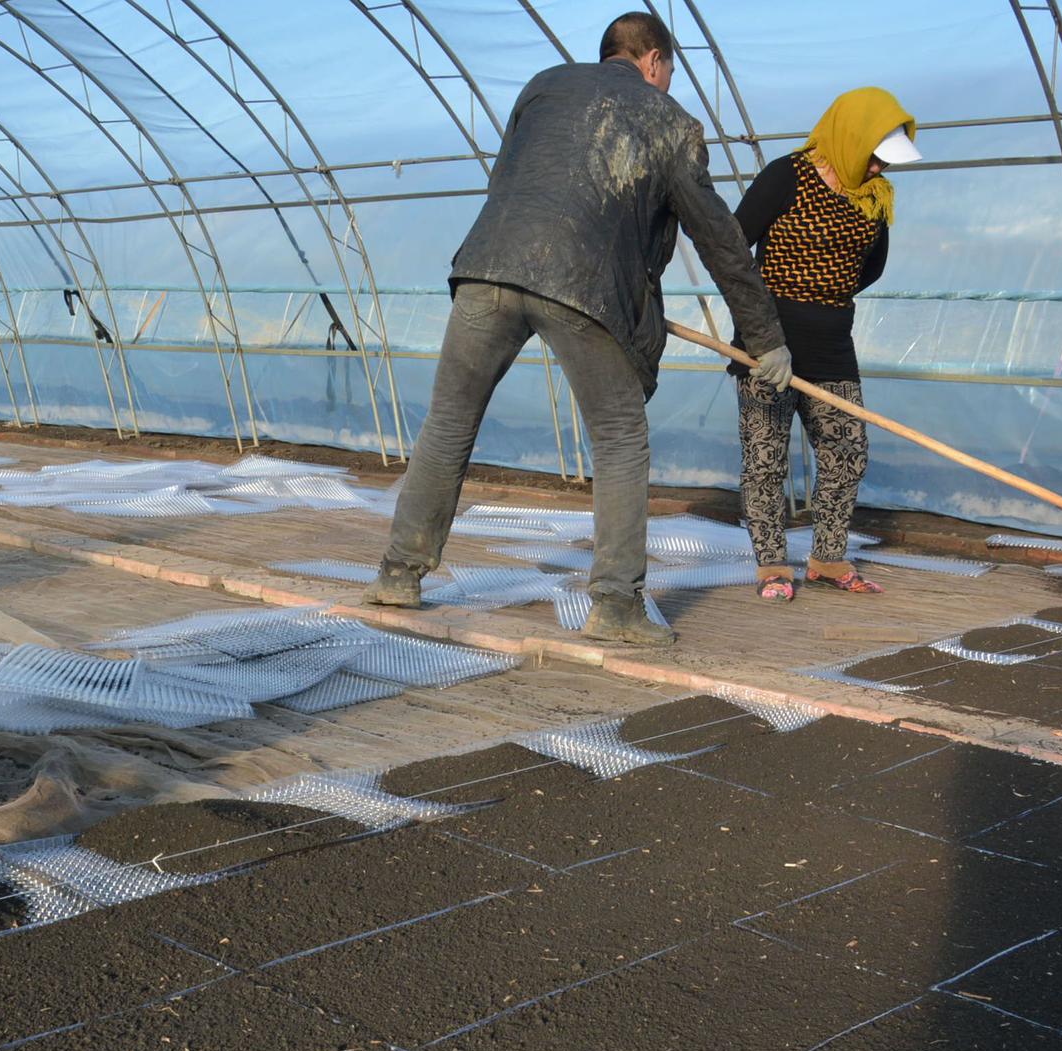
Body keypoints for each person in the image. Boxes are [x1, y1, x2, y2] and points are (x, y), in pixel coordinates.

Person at [363, 11, 790, 646]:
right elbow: (720, 239)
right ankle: (616, 606)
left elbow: (511, 181)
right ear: (653, 60)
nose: (668, 82)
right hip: (586, 292)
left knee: (448, 423)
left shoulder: (544, 86)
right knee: (620, 440)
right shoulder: (671, 123)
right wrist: (766, 339)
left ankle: (399, 574)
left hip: (487, 268)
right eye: (669, 71)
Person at [731, 87, 919, 601]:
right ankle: (772, 566)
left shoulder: (874, 197)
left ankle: (828, 558)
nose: (879, 168)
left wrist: (825, 291)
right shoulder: (786, 176)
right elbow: (731, 244)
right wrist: (760, 325)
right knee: (765, 458)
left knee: (847, 451)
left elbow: (872, 268)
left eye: (885, 160)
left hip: (832, 342)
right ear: (851, 137)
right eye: (875, 156)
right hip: (766, 344)